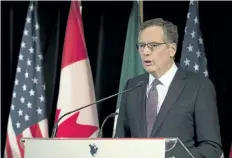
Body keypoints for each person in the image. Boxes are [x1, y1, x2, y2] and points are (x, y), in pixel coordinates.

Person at [115, 18, 222, 158]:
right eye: (142, 45)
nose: (146, 52)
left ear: (172, 49)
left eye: (153, 45)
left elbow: (211, 147)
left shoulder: (198, 86)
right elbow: (120, 141)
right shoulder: (132, 86)